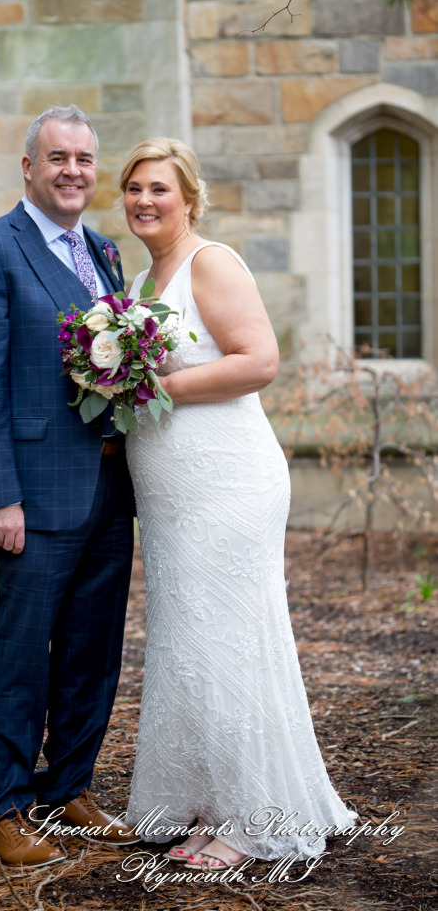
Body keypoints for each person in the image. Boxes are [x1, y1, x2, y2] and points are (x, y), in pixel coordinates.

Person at [120, 137, 357, 868]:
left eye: (157, 188)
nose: (142, 201)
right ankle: (210, 801)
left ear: (189, 197)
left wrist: (146, 385)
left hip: (225, 482)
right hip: (170, 493)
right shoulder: (136, 282)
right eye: (131, 189)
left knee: (224, 637)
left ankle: (254, 819)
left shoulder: (209, 262)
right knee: (190, 640)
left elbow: (258, 361)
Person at [0, 105, 137, 868]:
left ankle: (71, 789)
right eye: (57, 158)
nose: (72, 171)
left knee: (93, 650)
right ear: (28, 167)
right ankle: (1, 807)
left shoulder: (104, 253)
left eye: (84, 159)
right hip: (32, 496)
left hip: (108, 492)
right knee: (21, 654)